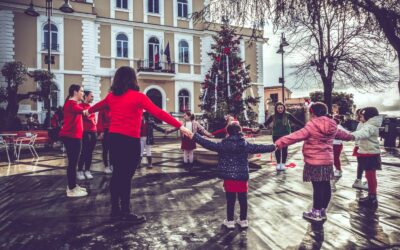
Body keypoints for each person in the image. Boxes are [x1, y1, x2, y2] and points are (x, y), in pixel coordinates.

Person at [88, 66, 192, 224]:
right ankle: (126, 213)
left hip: (114, 139)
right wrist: (180, 126)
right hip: (129, 141)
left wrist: (86, 111)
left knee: (117, 176)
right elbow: (159, 112)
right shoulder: (138, 97)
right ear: (132, 79)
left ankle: (115, 211)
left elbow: (97, 106)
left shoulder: (111, 97)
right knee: (126, 177)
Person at [275, 102, 353, 222]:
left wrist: (277, 144)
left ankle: (316, 212)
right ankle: (322, 210)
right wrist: (352, 136)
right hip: (327, 161)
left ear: (312, 113)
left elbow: (295, 136)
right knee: (326, 185)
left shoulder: (312, 125)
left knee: (317, 188)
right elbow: (343, 135)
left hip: (314, 161)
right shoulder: (332, 124)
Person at [191, 122, 276, 229]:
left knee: (230, 200)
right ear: (239, 131)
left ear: (228, 132)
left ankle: (230, 221)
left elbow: (208, 144)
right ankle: (243, 220)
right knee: (243, 199)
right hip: (242, 177)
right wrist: (273, 146)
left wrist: (194, 136)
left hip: (229, 177)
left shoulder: (224, 144)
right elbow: (259, 148)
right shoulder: (244, 144)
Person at [59, 84, 88, 197]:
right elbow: (84, 111)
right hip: (72, 137)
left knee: (73, 163)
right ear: (75, 92)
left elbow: (82, 110)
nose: (83, 93)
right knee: (72, 164)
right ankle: (71, 189)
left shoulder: (73, 104)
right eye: (81, 91)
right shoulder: (71, 104)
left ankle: (73, 185)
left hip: (73, 137)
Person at [351, 107, 382, 209]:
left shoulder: (370, 126)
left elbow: (363, 133)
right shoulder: (368, 124)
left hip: (371, 154)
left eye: (362, 116)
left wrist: (349, 136)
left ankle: (372, 198)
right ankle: (371, 196)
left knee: (371, 176)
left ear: (368, 116)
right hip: (368, 153)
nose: (360, 117)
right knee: (369, 175)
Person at [262, 102, 304, 171]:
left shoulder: (287, 115)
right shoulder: (273, 116)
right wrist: (258, 128)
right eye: (278, 108)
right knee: (277, 149)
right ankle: (278, 164)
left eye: (281, 108)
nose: (280, 109)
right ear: (276, 108)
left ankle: (283, 164)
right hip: (276, 135)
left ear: (284, 108)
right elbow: (266, 123)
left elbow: (296, 121)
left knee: (284, 150)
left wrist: (305, 126)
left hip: (285, 135)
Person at [77, 91, 97, 180]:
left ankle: (87, 170)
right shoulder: (80, 107)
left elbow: (93, 119)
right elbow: (85, 118)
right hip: (85, 132)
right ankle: (80, 170)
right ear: (85, 96)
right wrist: (89, 118)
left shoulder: (91, 107)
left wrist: (92, 120)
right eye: (91, 96)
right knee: (84, 152)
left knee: (90, 152)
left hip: (93, 131)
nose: (92, 98)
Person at [352, 109, 369, 190]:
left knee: (361, 165)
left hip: (359, 146)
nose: (359, 117)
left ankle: (358, 181)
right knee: (366, 165)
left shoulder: (361, 124)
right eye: (359, 115)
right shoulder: (363, 124)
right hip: (363, 147)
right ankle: (366, 181)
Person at [97, 106, 112, 174]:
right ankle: (106, 166)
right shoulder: (103, 108)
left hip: (114, 131)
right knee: (106, 149)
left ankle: (112, 165)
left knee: (113, 150)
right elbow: (100, 120)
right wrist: (101, 132)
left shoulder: (114, 107)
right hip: (106, 131)